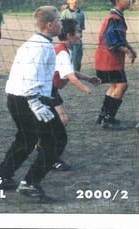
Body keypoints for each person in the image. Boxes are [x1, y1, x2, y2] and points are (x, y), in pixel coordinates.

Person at [0, 6, 67, 203]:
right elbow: (29, 75)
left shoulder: (33, 43)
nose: (61, 23)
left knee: (26, 138)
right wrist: (35, 102)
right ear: (50, 24)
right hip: (30, 99)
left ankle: (3, 176)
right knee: (56, 140)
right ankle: (30, 183)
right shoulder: (41, 47)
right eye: (59, 20)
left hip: (16, 97)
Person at [44, 18, 101, 170]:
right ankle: (47, 152)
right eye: (78, 32)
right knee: (61, 119)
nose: (80, 35)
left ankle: (43, 146)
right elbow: (71, 77)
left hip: (50, 89)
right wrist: (85, 89)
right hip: (46, 90)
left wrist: (88, 78)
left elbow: (70, 71)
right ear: (69, 35)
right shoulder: (62, 52)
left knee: (60, 119)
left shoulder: (64, 49)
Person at [94, 0, 137, 130]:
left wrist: (130, 48)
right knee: (122, 85)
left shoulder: (116, 16)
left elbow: (120, 38)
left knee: (115, 86)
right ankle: (108, 119)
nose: (129, 0)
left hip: (106, 60)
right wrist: (127, 51)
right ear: (118, 1)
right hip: (109, 60)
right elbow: (111, 41)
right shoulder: (113, 18)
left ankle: (102, 116)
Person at [61, 0, 85, 71]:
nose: (75, 0)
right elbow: (62, 27)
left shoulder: (81, 13)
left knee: (78, 57)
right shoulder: (64, 13)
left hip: (77, 39)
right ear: (68, 1)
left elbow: (82, 28)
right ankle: (68, 72)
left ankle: (77, 72)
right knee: (67, 56)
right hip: (68, 39)